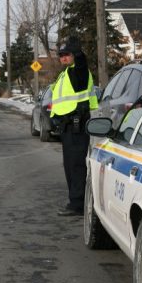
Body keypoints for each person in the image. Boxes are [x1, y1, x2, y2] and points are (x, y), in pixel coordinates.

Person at [51, 36, 98, 216]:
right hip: (68, 126)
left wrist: (77, 51)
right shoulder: (65, 73)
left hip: (77, 125)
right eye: (61, 55)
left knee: (76, 166)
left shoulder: (78, 71)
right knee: (70, 165)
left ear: (74, 55)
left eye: (67, 54)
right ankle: (75, 201)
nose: (63, 58)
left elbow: (81, 63)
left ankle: (77, 204)